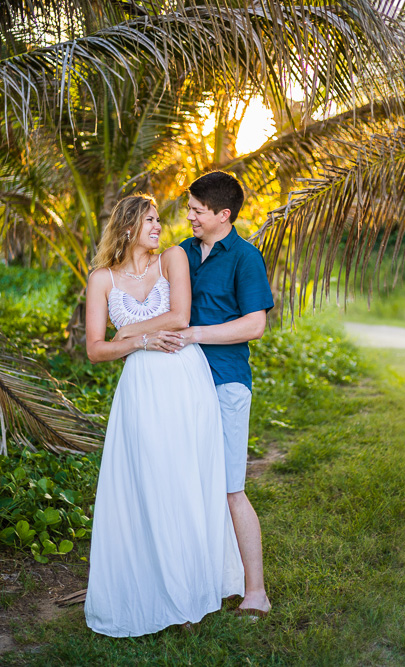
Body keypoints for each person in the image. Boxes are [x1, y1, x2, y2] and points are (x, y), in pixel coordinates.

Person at [82, 193, 244, 637]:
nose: (159, 226)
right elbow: (97, 350)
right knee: (148, 483)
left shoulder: (172, 258)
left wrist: (129, 328)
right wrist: (138, 343)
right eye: (151, 220)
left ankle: (192, 594)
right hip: (141, 388)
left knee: (186, 481)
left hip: (184, 381)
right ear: (129, 224)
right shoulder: (101, 279)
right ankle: (152, 589)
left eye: (158, 220)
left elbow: (180, 315)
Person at [150, 171, 274, 618]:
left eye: (198, 211)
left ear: (223, 215)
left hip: (224, 383)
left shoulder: (245, 257)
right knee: (182, 484)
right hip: (178, 384)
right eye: (190, 209)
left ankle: (255, 591)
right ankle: (192, 582)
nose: (190, 217)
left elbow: (254, 325)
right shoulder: (180, 253)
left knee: (229, 488)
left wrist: (196, 334)